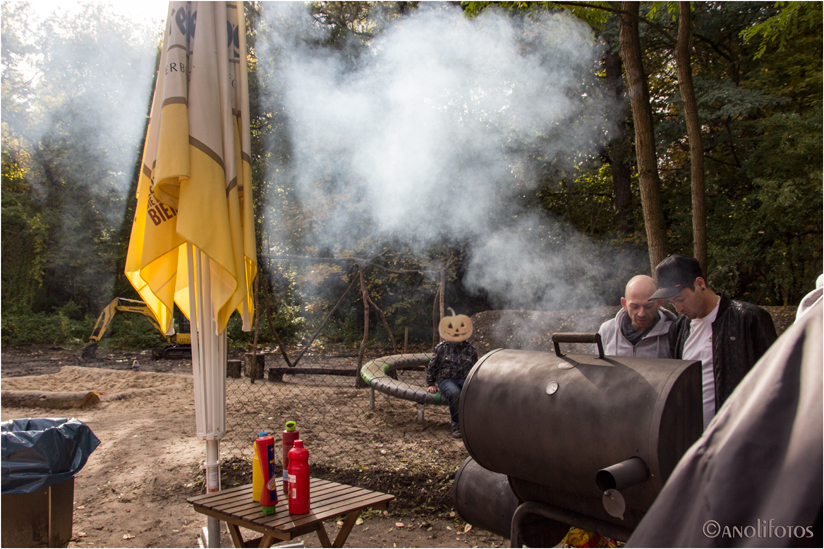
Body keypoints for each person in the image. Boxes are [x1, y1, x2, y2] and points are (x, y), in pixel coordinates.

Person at [649, 254, 777, 430]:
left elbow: (777, 379)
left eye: (680, 299)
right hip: (695, 439)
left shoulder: (748, 319)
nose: (678, 308)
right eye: (672, 303)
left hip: (740, 435)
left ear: (700, 284)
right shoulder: (678, 329)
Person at [598, 274, 676, 358]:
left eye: (648, 306)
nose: (641, 313)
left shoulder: (673, 333)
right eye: (635, 307)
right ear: (624, 303)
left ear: (659, 303)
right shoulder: (607, 331)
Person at [426, 320, 478, 439]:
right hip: (447, 380)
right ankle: (457, 426)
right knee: (455, 394)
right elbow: (432, 367)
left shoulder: (471, 350)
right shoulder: (442, 348)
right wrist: (430, 383)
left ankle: (474, 424)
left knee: (478, 394)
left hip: (466, 380)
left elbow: (475, 369)